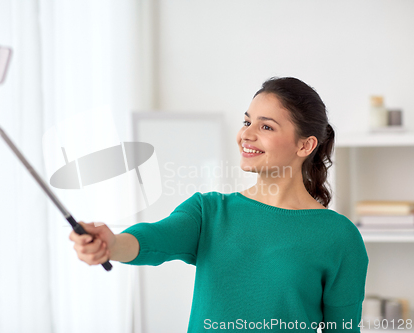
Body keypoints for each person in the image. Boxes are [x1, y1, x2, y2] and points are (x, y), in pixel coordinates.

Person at [69, 77, 369, 333]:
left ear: (305, 145)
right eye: (247, 121)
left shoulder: (340, 237)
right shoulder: (209, 212)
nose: (246, 135)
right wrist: (111, 244)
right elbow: (153, 239)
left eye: (266, 127)